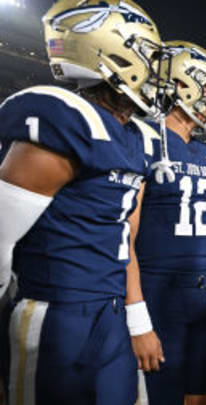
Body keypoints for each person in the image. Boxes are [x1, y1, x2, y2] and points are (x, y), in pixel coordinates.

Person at [0, 1, 171, 403]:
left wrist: (137, 319)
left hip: (109, 311)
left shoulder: (135, 137)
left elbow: (124, 240)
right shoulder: (66, 118)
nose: (154, 71)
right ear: (110, 51)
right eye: (147, 55)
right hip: (52, 311)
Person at [126, 41, 206, 405]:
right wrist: (137, 319)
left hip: (202, 294)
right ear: (181, 84)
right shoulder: (141, 136)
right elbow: (123, 236)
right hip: (157, 292)